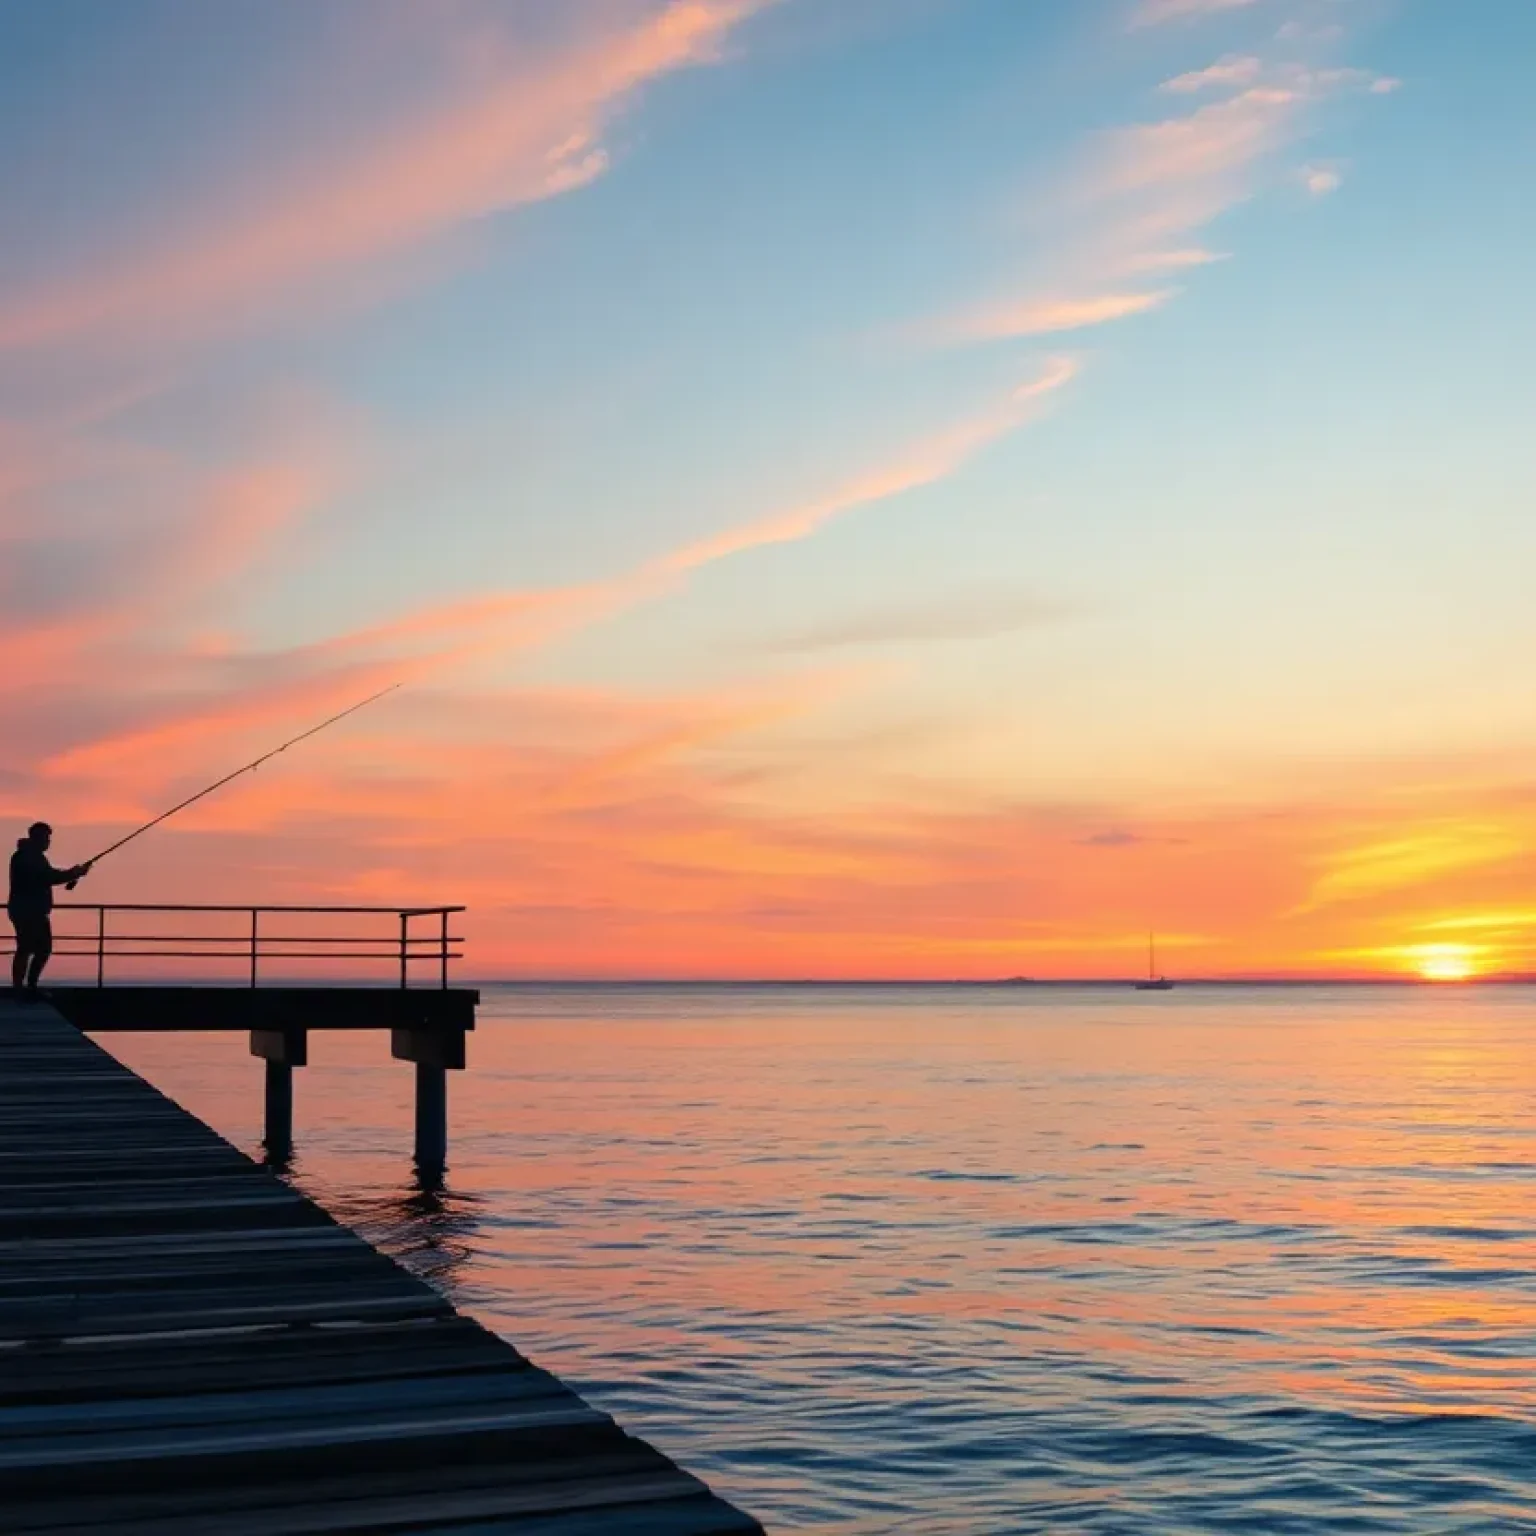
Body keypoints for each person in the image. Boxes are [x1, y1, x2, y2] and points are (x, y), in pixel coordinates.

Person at [8, 823, 90, 998]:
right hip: (29, 911)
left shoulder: (28, 856)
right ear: (37, 838)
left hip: (27, 910)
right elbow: (48, 877)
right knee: (35, 948)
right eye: (46, 838)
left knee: (31, 948)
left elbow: (48, 875)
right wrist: (74, 873)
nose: (48, 841)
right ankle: (25, 988)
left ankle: (25, 988)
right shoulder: (28, 857)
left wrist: (73, 873)